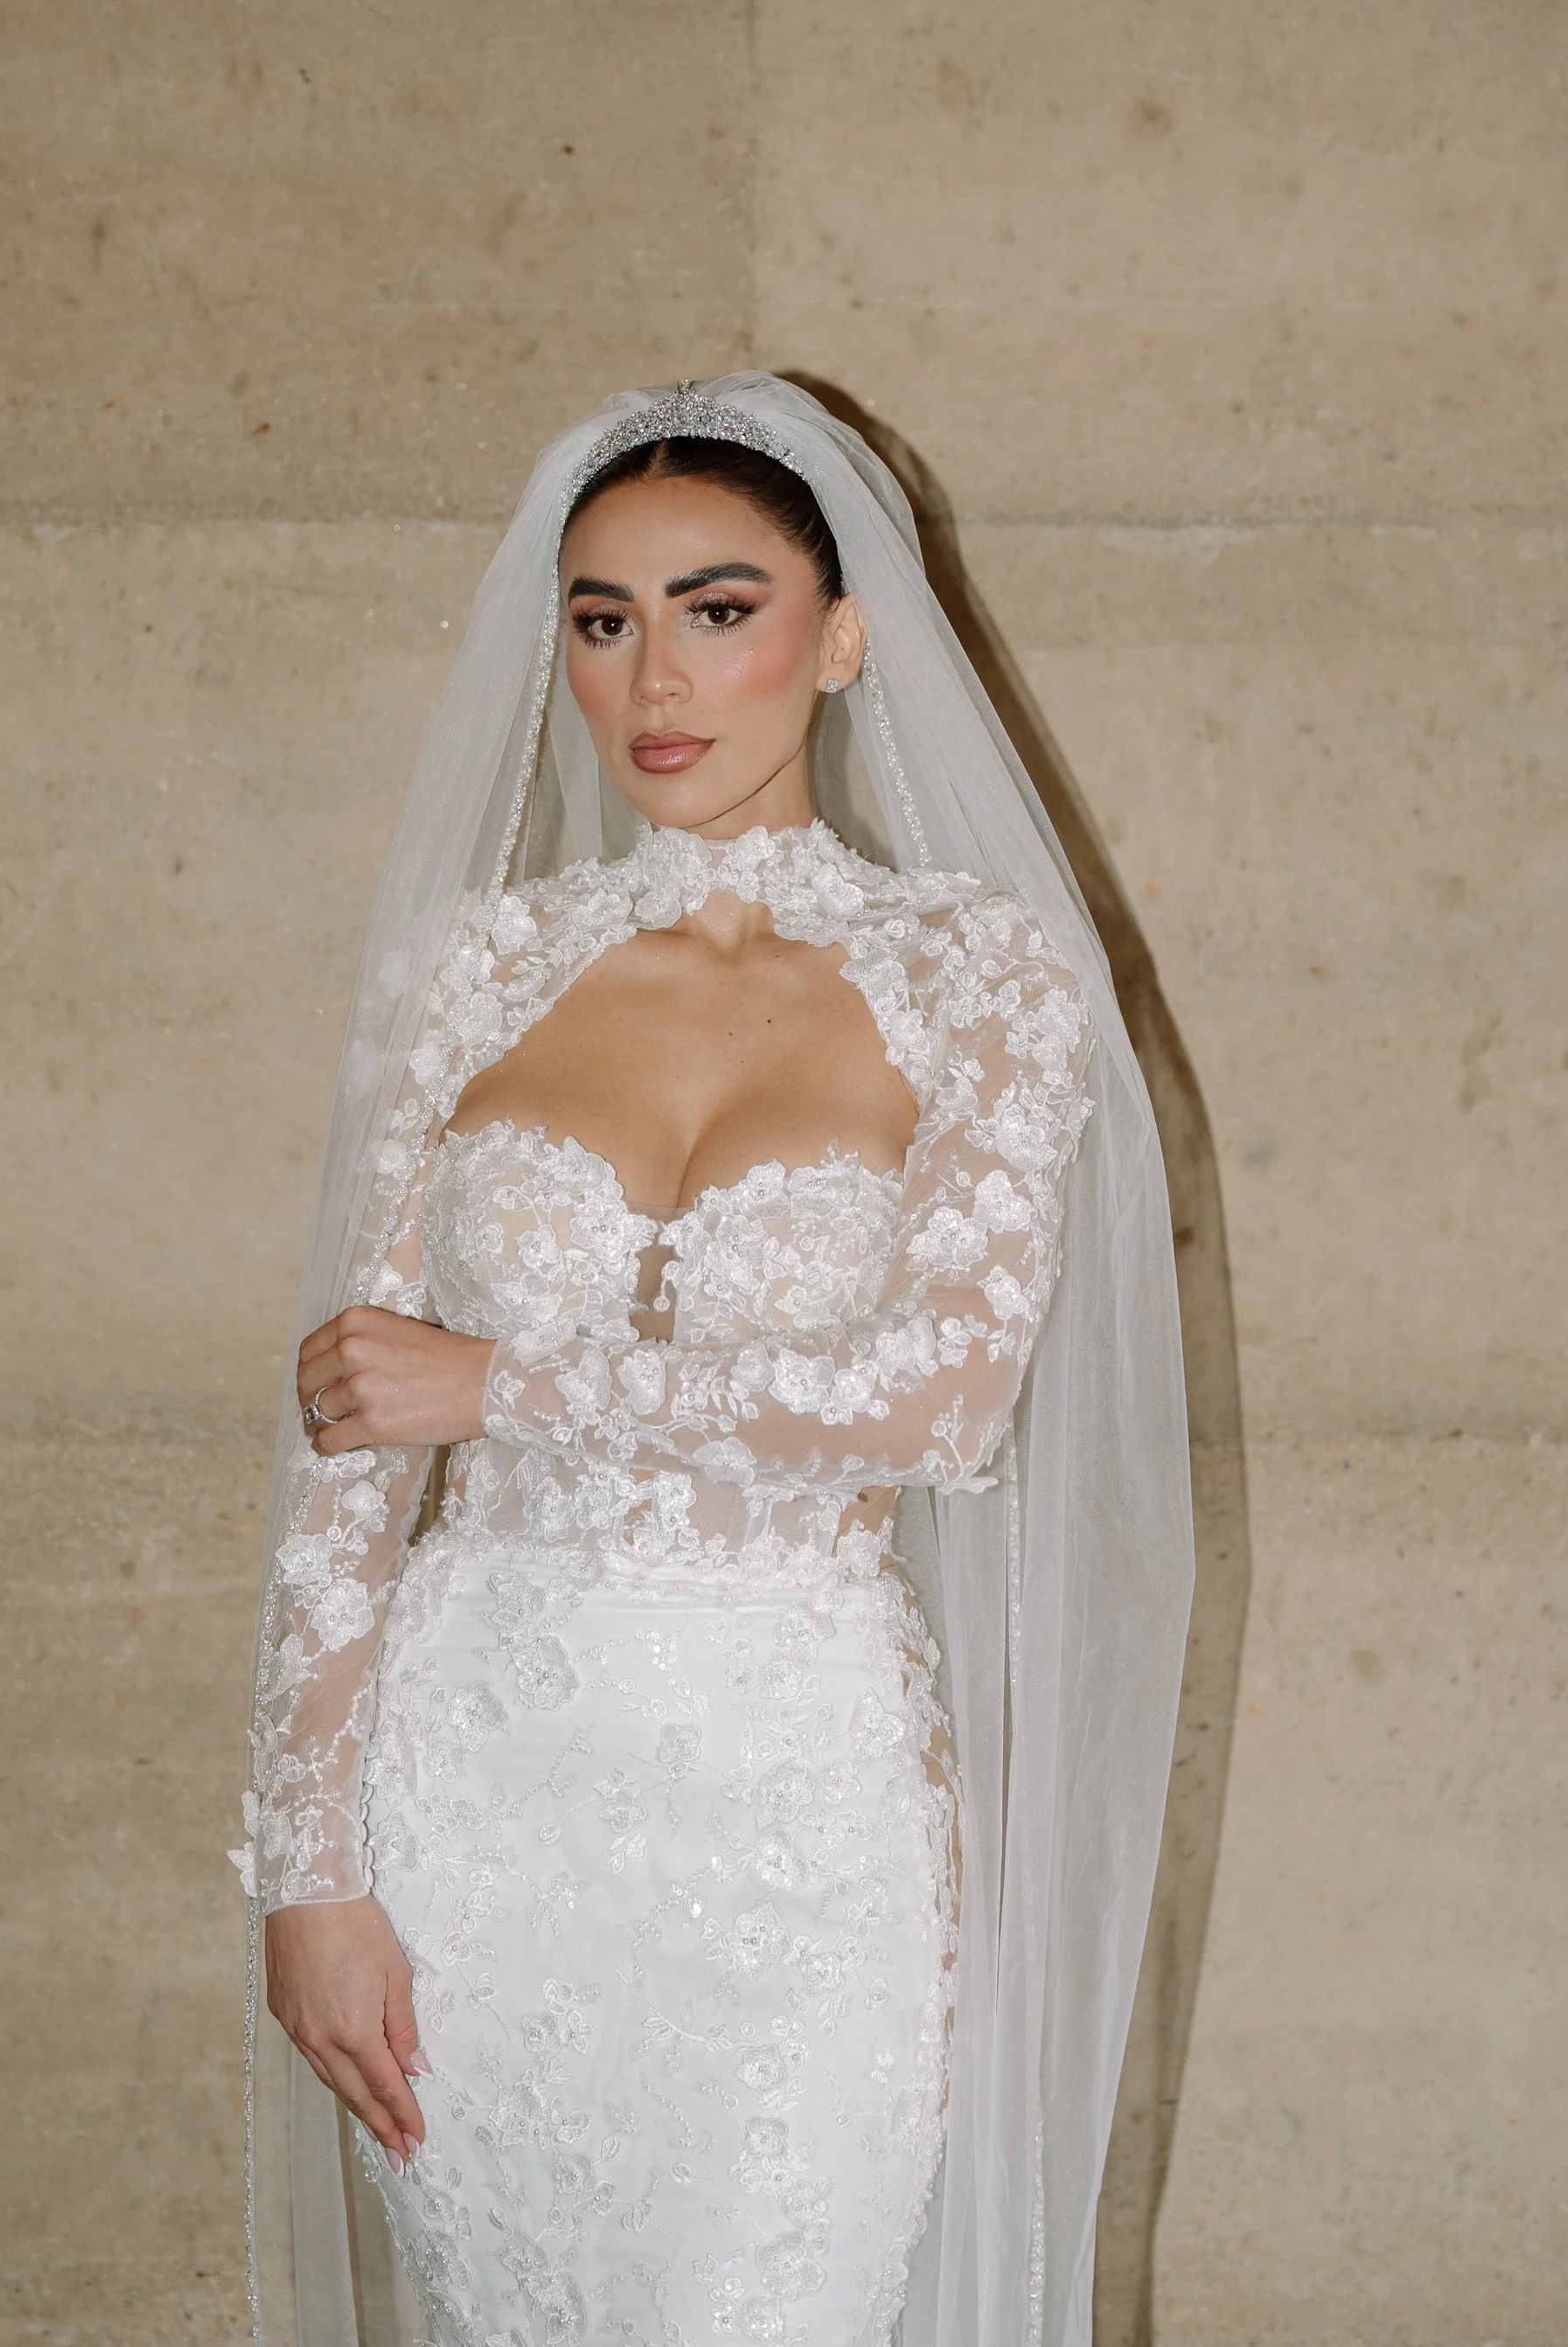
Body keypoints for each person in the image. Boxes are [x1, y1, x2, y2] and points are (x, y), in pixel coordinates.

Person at [233, 376, 1193, 2347]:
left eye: (717, 605)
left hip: (793, 1793)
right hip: (469, 1793)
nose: (653, 671)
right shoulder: (476, 971)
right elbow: (349, 1453)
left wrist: (499, 1381)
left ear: (840, 639)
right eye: (601, 618)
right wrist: (306, 1871)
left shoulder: (974, 972)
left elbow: (941, 1396)